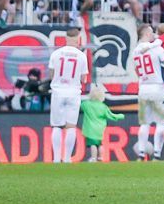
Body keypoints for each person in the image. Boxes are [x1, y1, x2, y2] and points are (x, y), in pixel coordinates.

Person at [131, 23, 164, 160]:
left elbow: (137, 71)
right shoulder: (157, 49)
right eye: (151, 33)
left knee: (144, 123)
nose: (154, 35)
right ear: (147, 34)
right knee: (162, 123)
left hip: (143, 88)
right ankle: (157, 154)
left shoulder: (135, 51)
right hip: (158, 87)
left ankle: (141, 154)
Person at [48, 28, 89, 163]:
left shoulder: (56, 54)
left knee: (57, 126)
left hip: (58, 91)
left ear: (66, 39)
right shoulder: (81, 55)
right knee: (71, 126)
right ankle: (67, 159)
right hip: (73, 92)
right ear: (77, 39)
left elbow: (51, 75)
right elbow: (84, 79)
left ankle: (55, 159)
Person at [79, 85, 122, 162]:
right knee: (100, 144)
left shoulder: (86, 104)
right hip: (100, 129)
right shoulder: (103, 106)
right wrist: (120, 116)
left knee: (93, 144)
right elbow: (111, 115)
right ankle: (101, 157)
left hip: (90, 129)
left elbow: (79, 105)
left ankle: (93, 158)